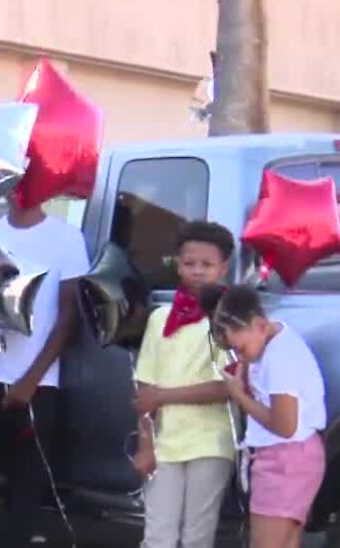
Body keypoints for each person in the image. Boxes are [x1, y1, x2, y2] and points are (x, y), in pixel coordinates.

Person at [0, 194, 90, 547]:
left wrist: (31, 379)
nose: (22, 191)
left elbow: (68, 317)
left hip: (37, 383)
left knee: (26, 490)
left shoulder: (67, 238)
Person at [130, 222, 237, 548]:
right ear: (177, 265)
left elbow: (228, 386)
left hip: (211, 442)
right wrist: (145, 444)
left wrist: (164, 395)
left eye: (207, 265)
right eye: (190, 264)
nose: (198, 272)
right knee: (157, 536)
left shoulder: (229, 317)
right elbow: (145, 389)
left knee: (197, 537)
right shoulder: (160, 318)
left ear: (224, 268)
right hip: (166, 444)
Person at [204, 285, 327, 548]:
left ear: (259, 324)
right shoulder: (271, 338)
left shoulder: (280, 358)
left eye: (242, 348)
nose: (241, 355)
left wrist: (239, 395)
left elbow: (284, 426)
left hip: (286, 460)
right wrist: (246, 367)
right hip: (295, 458)